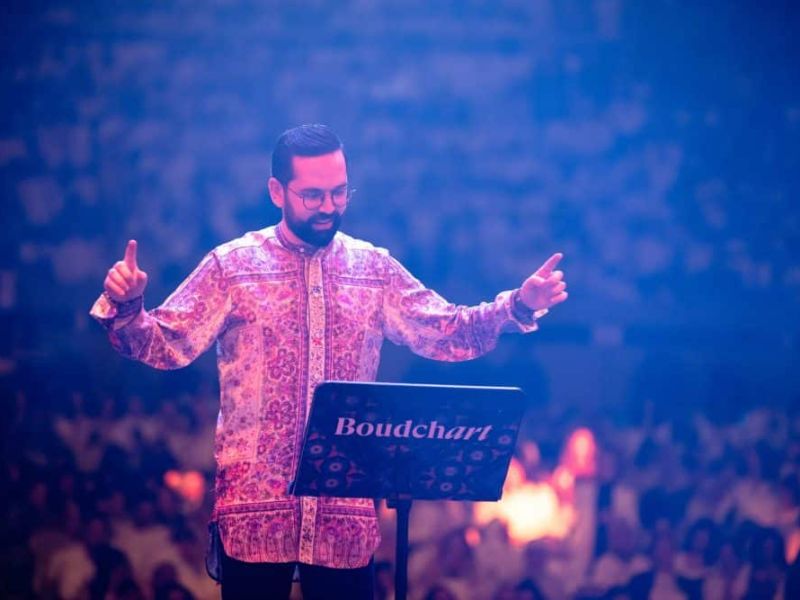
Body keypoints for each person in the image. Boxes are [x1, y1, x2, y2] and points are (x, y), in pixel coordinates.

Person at [91, 124, 569, 599]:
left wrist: (517, 306)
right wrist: (129, 307)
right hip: (256, 504)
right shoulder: (232, 266)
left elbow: (445, 330)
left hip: (343, 509)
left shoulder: (372, 268)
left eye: (340, 193)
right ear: (277, 191)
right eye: (313, 195)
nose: (329, 207)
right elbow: (165, 343)